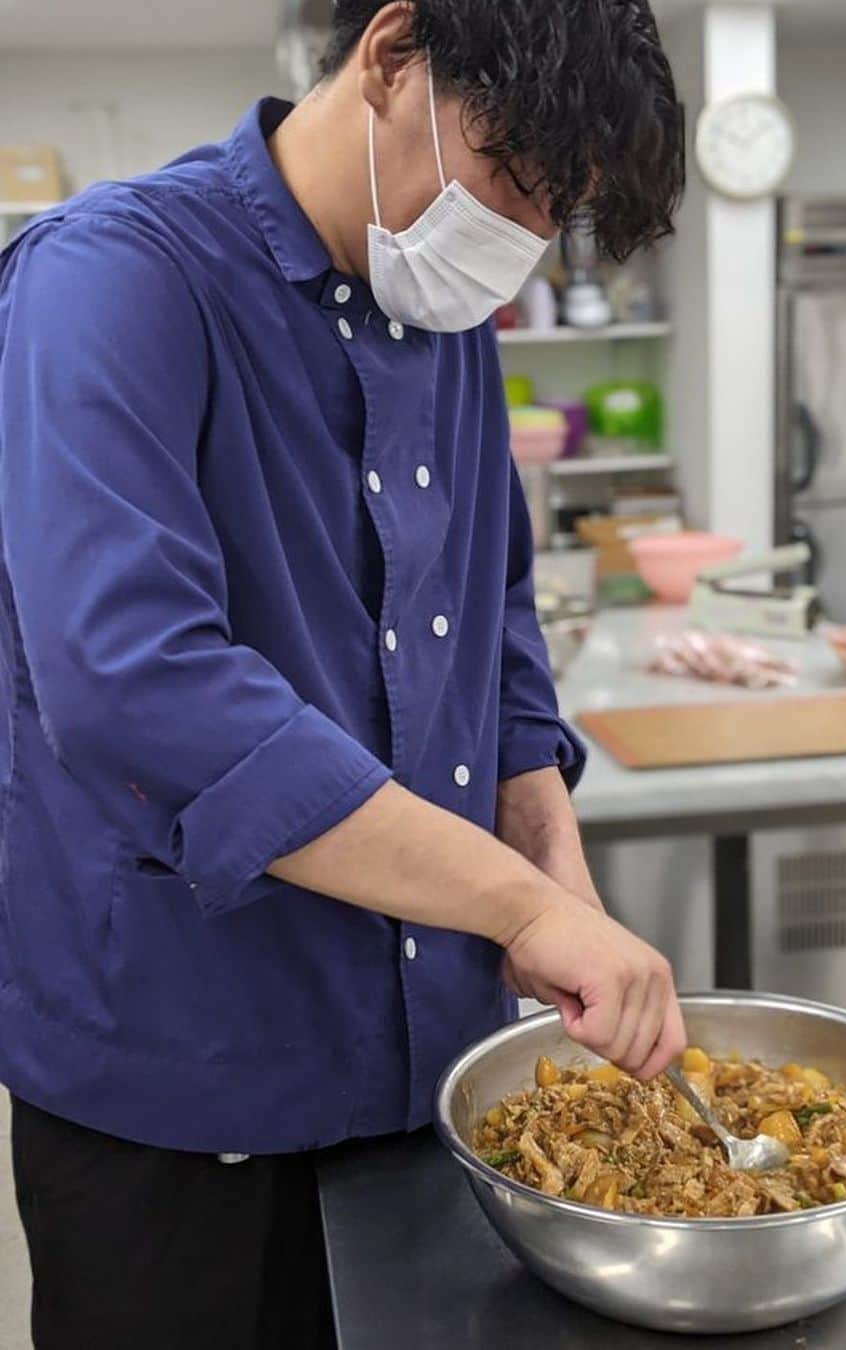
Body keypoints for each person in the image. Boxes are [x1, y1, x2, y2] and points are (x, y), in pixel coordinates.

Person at [0, 2, 686, 1346]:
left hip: (426, 1077)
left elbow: (497, 637)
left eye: (558, 219)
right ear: (389, 57)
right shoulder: (115, 278)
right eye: (513, 185)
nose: (520, 253)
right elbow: (140, 683)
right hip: (178, 1104)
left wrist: (559, 882)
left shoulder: (447, 322)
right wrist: (517, 907)